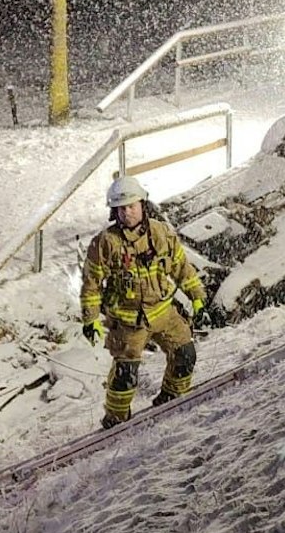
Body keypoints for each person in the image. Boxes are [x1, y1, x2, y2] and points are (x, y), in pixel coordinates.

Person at [79, 175, 208, 428]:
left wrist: (198, 300)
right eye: (121, 209)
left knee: (185, 354)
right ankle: (115, 420)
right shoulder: (105, 243)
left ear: (142, 204)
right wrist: (90, 319)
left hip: (164, 313)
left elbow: (182, 268)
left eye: (131, 206)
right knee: (125, 376)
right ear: (114, 212)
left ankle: (172, 397)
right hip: (128, 323)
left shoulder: (161, 233)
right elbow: (91, 284)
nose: (127, 213)